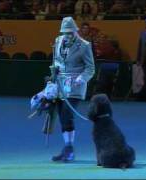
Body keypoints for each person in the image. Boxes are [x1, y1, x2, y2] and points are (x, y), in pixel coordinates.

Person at [50, 16, 95, 162]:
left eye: (70, 32)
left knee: (67, 114)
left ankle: (69, 149)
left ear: (75, 31)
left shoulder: (84, 45)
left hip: (75, 86)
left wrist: (81, 79)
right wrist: (53, 74)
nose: (68, 35)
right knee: (62, 117)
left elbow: (90, 68)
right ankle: (67, 148)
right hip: (59, 84)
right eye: (65, 32)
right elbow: (56, 60)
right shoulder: (58, 41)